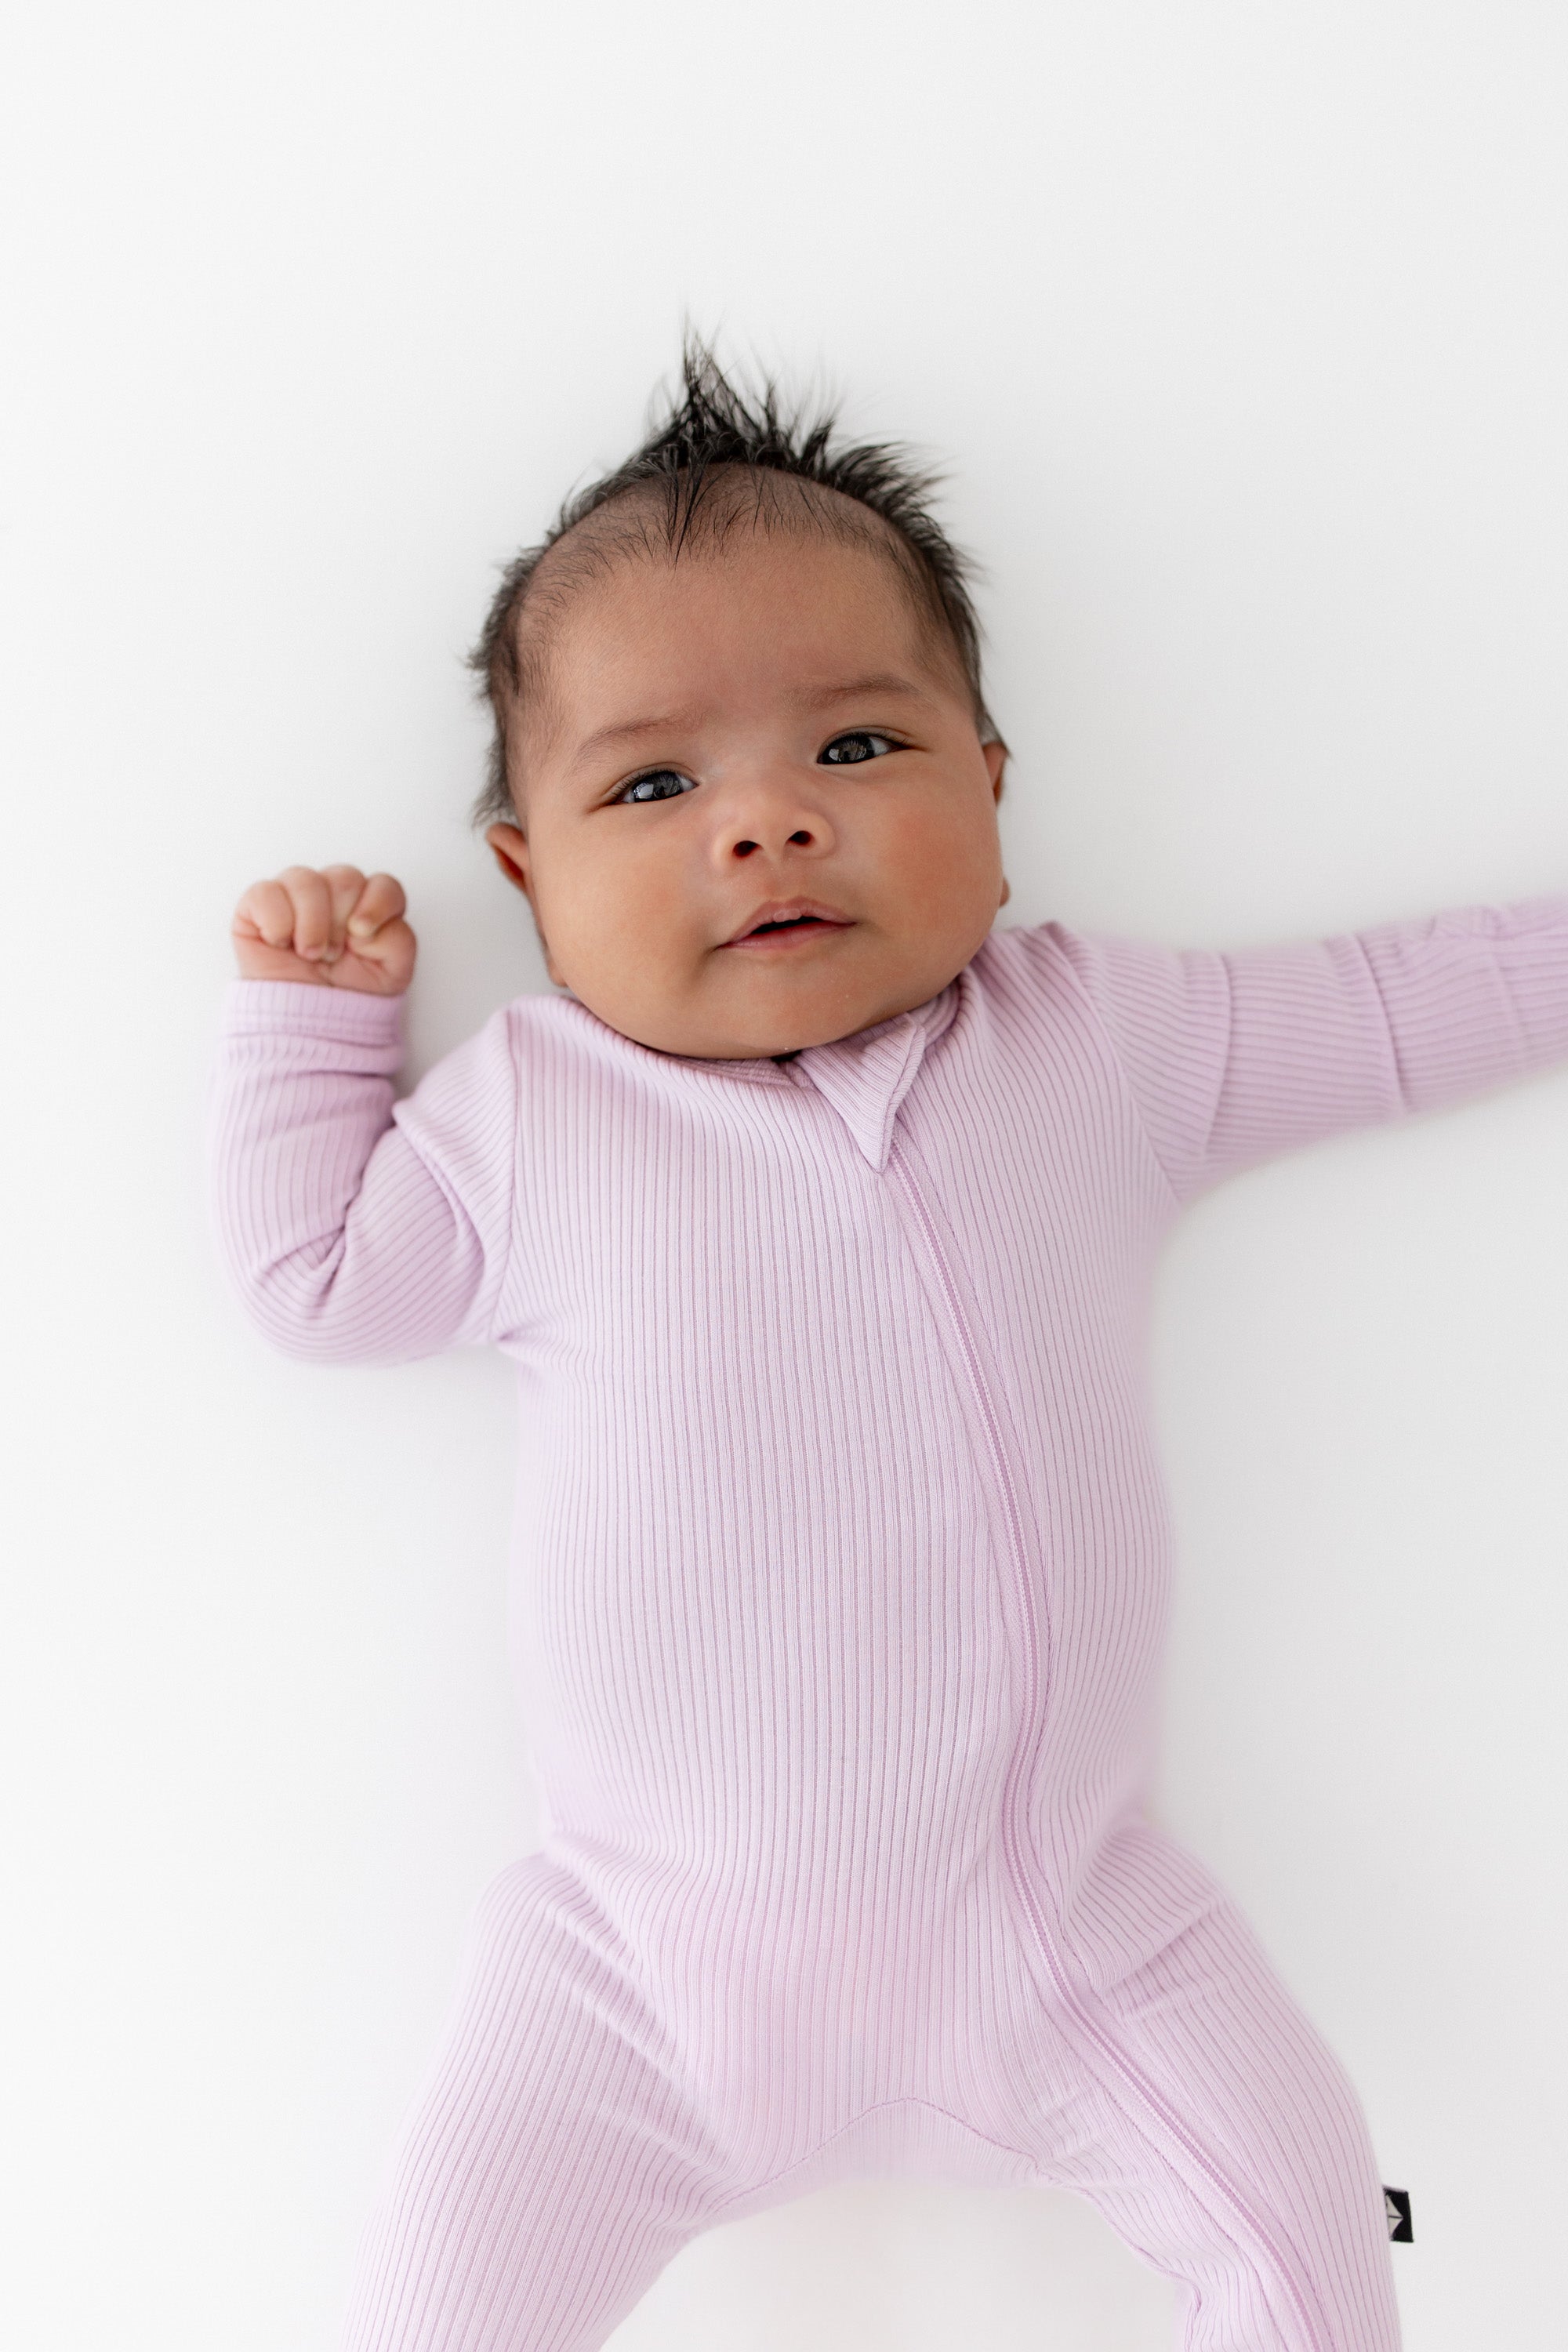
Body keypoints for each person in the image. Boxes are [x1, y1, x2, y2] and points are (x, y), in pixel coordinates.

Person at [209, 345, 1568, 2351]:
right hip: (635, 1984)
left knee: (1301, 2250)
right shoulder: (527, 1115)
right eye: (653, 785)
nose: (765, 826)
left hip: (1080, 1947)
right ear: (529, 877)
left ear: (993, 791)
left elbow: (1392, 1007)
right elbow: (313, 1285)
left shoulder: (1094, 1042)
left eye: (855, 751)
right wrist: (312, 1028)